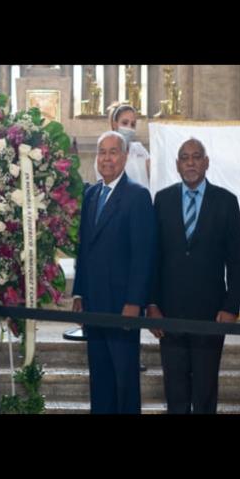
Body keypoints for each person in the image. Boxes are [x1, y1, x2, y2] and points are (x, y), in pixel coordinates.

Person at [147, 138, 240, 414]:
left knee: (204, 393)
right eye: (184, 157)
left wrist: (230, 307)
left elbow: (236, 261)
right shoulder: (162, 200)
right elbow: (154, 257)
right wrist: (152, 304)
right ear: (177, 164)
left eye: (196, 157)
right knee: (175, 392)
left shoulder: (226, 201)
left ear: (206, 162)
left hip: (211, 315)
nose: (190, 162)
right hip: (169, 314)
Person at [72, 131, 156, 414]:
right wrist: (79, 292)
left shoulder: (137, 196)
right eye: (102, 152)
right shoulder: (91, 194)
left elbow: (143, 255)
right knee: (101, 379)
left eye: (112, 152)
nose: (106, 159)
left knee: (124, 380)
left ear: (124, 156)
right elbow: (84, 248)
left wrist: (135, 302)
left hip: (123, 306)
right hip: (94, 305)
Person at [93, 103, 151, 189]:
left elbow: (153, 172)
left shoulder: (139, 148)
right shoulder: (105, 156)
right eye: (125, 123)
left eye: (133, 124)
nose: (129, 128)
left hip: (145, 200)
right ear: (114, 124)